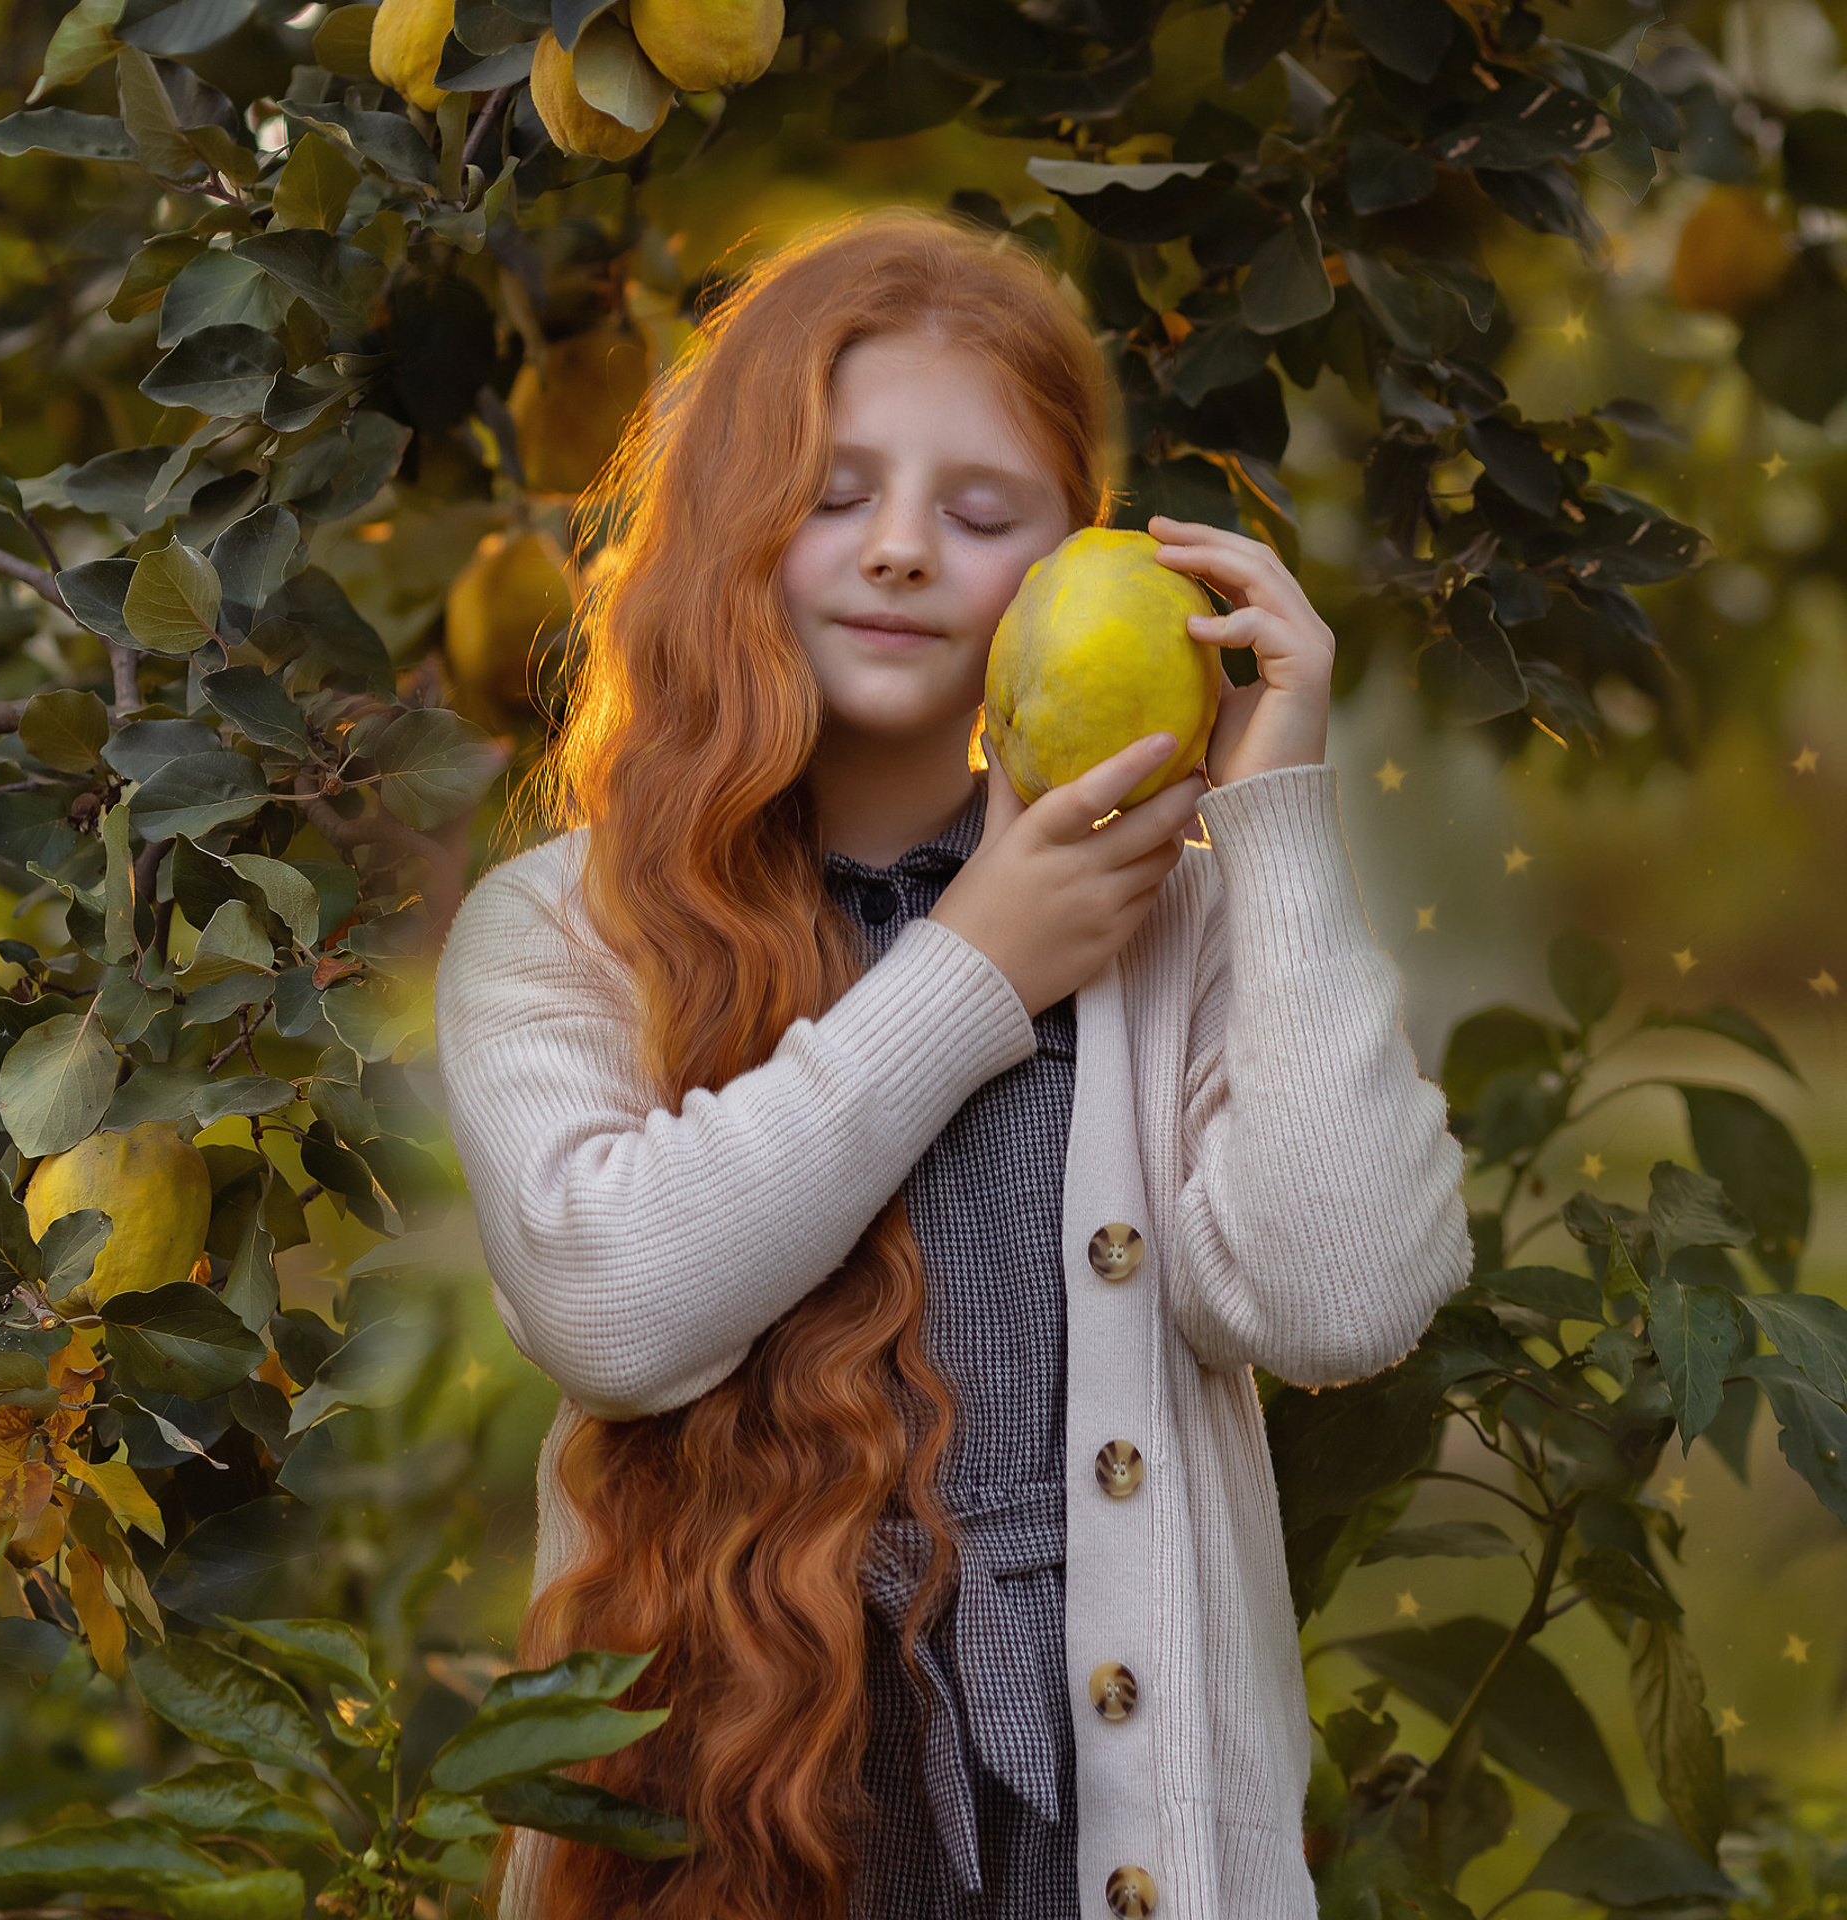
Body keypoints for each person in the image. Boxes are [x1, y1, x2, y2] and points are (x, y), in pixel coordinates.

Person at [434, 207, 1472, 1920]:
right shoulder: (567, 934)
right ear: (725, 536)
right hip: (734, 1848)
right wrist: (976, 968)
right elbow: (612, 1309)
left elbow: (1340, 1296)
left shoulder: (1179, 927)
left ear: (1079, 565)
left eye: (983, 513)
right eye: (834, 495)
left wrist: (1274, 817)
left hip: (1111, 1850)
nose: (903, 549)